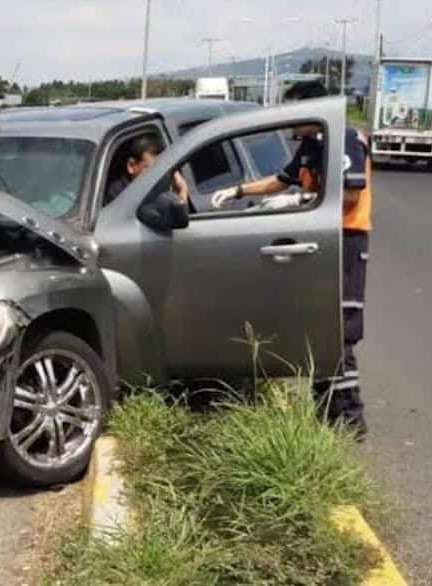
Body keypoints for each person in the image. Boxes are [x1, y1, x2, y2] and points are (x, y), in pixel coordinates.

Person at [211, 81, 373, 438]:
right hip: (325, 239)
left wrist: (300, 201)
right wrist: (238, 190)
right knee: (320, 328)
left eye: (295, 112)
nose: (290, 123)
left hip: (344, 241)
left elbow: (348, 193)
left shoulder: (341, 140)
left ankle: (349, 416)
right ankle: (327, 407)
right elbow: (281, 180)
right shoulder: (312, 145)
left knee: (339, 329)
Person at [105, 134, 190, 208]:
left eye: (160, 170)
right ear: (131, 166)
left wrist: (181, 189)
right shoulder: (118, 194)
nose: (156, 177)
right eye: (150, 170)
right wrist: (182, 191)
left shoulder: (163, 187)